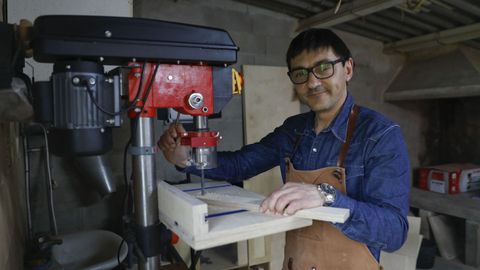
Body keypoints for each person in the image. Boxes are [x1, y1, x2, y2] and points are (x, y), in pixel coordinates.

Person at [158, 28, 410, 270]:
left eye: (324, 68)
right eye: (300, 73)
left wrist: (327, 196)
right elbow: (241, 165)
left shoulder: (379, 135)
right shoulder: (294, 131)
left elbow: (394, 232)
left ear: (348, 69)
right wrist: (186, 158)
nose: (312, 82)